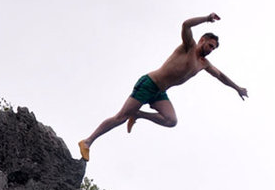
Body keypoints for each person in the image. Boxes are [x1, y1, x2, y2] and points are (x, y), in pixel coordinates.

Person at [78, 13, 248, 160]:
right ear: (202, 40)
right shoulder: (188, 46)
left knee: (171, 120)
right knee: (120, 117)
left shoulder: (203, 64)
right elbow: (186, 24)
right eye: (210, 45)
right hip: (149, 84)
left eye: (214, 48)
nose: (211, 50)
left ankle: (137, 114)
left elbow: (221, 76)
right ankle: (87, 141)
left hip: (159, 92)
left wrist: (237, 88)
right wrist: (206, 18)